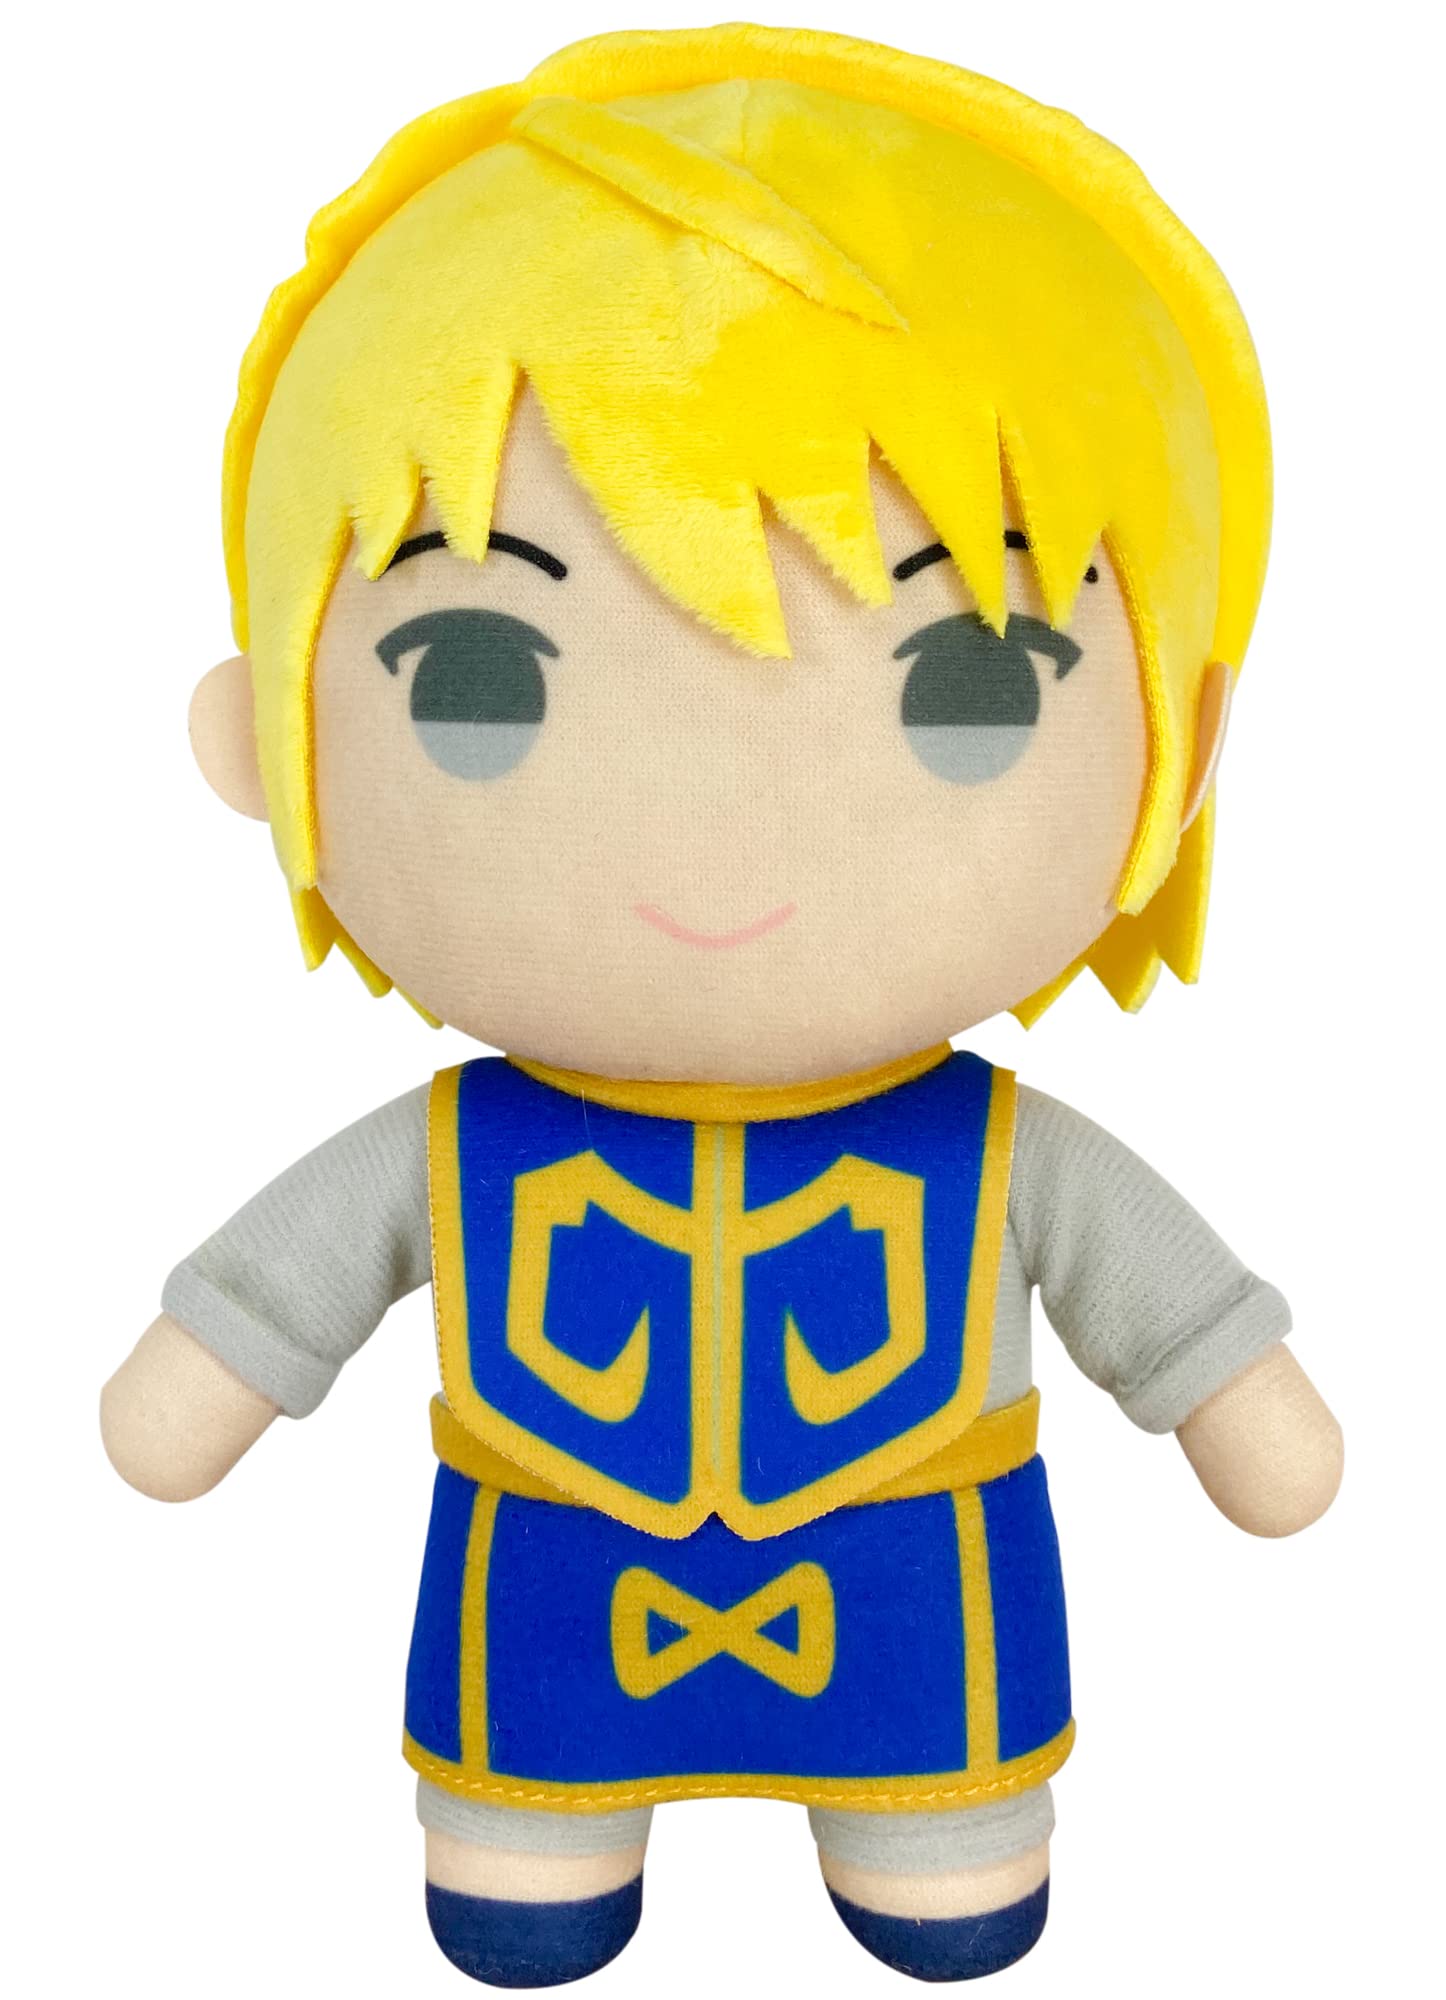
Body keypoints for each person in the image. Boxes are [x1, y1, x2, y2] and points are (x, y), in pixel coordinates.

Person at [101, 24, 1343, 1986]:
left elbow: (1171, 1314)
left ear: (1176, 756)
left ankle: (928, 1845)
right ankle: (544, 1848)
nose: (719, 835)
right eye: (481, 676)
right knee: (519, 1878)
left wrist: (1229, 1390)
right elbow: (275, 1294)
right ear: (261, 736)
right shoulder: (453, 1147)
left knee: (946, 1872)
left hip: (912, 1601)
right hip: (551, 1601)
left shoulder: (1004, 1153)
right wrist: (212, 1363)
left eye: (967, 688)